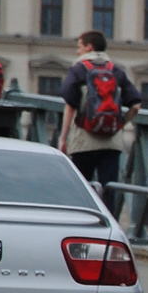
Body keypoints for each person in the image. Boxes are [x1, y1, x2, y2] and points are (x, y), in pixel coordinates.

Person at [59, 30, 141, 189]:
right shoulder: (115, 70)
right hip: (111, 143)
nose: (77, 51)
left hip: (83, 142)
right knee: (108, 192)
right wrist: (120, 124)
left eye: (79, 47)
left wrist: (63, 139)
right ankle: (107, 214)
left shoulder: (78, 70)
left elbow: (70, 106)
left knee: (82, 191)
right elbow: (136, 106)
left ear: (89, 47)